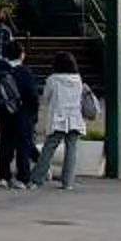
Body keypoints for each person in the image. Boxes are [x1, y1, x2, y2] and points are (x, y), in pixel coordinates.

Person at [36, 49, 93, 188]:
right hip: (75, 118)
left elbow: (46, 98)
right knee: (71, 150)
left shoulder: (53, 80)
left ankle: (38, 178)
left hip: (58, 119)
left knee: (48, 149)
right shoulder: (78, 79)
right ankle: (68, 182)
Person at [0, 40, 40, 190]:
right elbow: (32, 95)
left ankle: (4, 176)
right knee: (23, 145)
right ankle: (22, 178)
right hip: (23, 113)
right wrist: (34, 114)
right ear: (21, 54)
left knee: (6, 144)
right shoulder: (24, 72)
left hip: (4, 113)